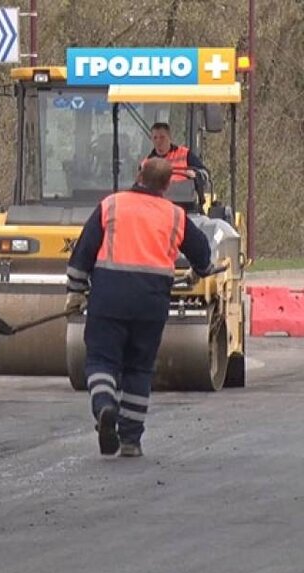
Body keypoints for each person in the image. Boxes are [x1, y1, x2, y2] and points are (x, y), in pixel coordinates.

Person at [65, 158, 223, 458]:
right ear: (166, 185)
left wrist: (75, 291)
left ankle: (104, 407)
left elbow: (83, 252)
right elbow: (201, 252)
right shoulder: (174, 215)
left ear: (139, 175)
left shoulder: (111, 205)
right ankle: (130, 441)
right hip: (151, 303)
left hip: (109, 297)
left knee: (101, 360)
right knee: (139, 368)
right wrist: (201, 270)